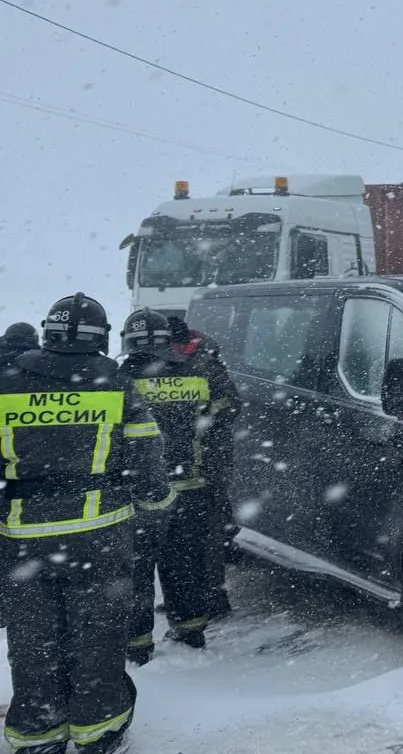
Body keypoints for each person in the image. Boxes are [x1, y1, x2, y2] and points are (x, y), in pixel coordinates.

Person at [0, 293, 172, 754]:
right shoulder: (114, 381)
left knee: (33, 637)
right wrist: (157, 502)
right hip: (100, 534)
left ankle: (37, 731)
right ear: (101, 336)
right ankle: (98, 730)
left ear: (49, 330)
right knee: (96, 634)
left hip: (24, 539)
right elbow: (146, 455)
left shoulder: (8, 381)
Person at [117, 310, 239, 665]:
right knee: (185, 565)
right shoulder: (199, 374)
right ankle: (191, 631)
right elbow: (227, 415)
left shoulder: (118, 380)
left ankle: (137, 646)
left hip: (138, 495)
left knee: (136, 573)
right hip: (191, 488)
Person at [166, 314, 241, 621]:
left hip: (210, 462)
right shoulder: (184, 360)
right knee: (188, 536)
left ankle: (212, 596)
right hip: (191, 462)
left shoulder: (204, 361)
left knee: (208, 533)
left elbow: (231, 403)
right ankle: (189, 596)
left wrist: (203, 414)